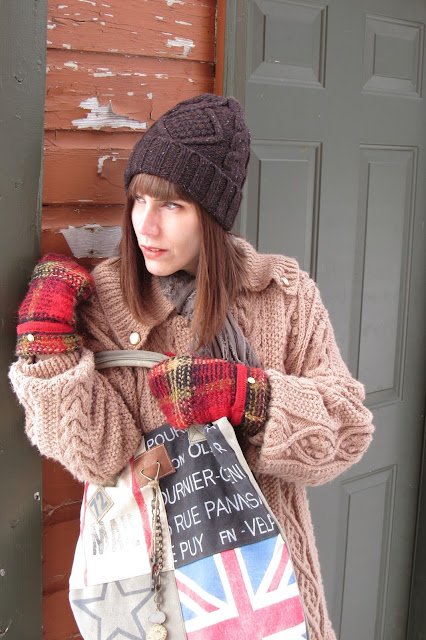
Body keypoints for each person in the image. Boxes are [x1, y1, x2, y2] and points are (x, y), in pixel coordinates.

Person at [9, 93, 374, 640]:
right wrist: (48, 350)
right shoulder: (109, 302)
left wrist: (250, 398)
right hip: (152, 597)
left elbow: (346, 434)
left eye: (172, 206)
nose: (145, 226)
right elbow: (97, 454)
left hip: (266, 593)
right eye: (138, 200)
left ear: (213, 215)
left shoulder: (284, 297)